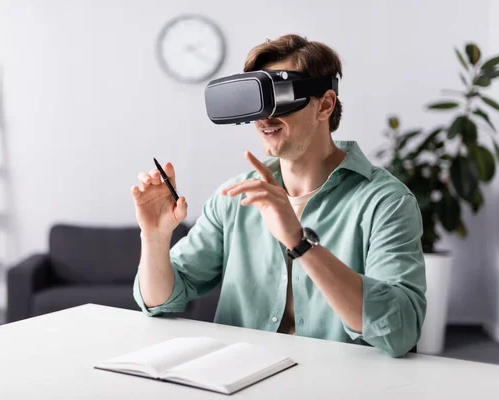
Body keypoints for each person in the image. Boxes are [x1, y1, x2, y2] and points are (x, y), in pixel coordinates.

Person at [130, 34, 426, 358]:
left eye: (279, 98)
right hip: (238, 379)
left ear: (324, 105)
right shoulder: (234, 199)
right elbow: (160, 301)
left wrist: (300, 242)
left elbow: (401, 330)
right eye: (257, 100)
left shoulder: (386, 203)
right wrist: (155, 237)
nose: (264, 118)